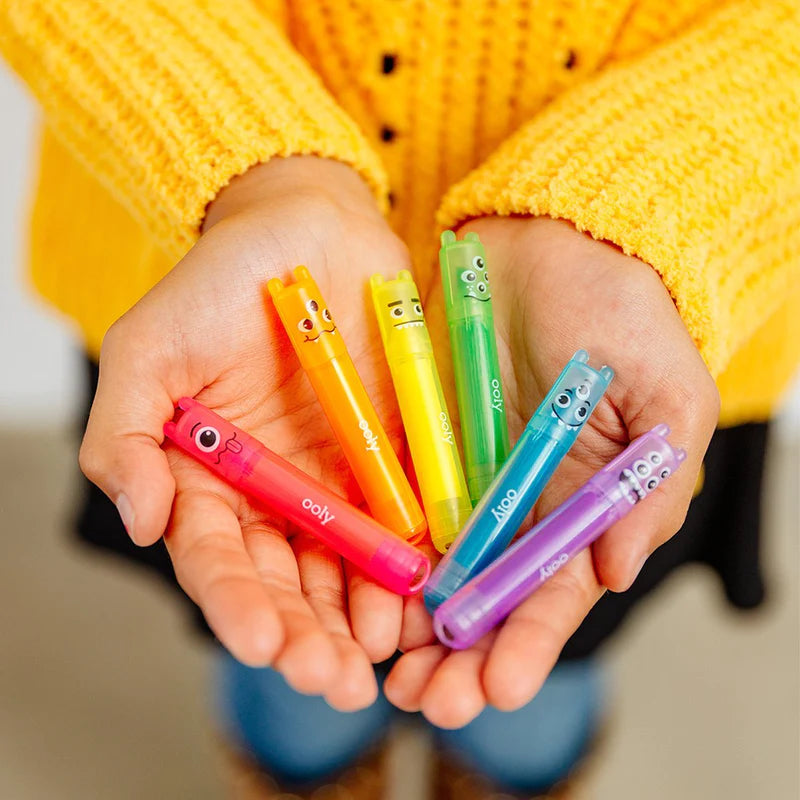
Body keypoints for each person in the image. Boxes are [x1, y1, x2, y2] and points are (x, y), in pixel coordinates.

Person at [2, 1, 798, 796]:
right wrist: (264, 178)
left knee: (537, 683)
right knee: (292, 676)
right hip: (222, 315)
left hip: (654, 306)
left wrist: (649, 215)